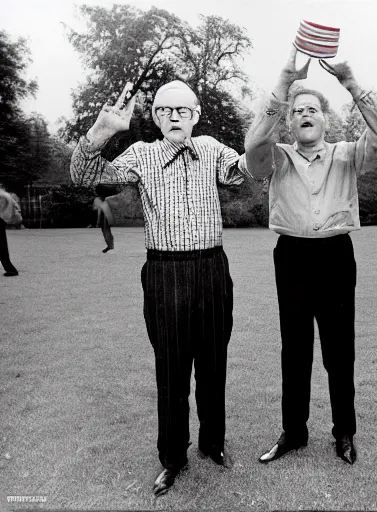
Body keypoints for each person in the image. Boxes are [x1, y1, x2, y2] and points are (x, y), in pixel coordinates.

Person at [70, 80, 249, 496]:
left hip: (211, 269)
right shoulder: (142, 155)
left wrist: (264, 133)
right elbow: (82, 177)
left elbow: (245, 170)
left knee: (213, 364)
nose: (174, 117)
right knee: (170, 370)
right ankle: (173, 457)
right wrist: (102, 132)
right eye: (165, 110)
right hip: (165, 272)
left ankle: (213, 444)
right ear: (154, 116)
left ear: (196, 114)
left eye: (183, 110)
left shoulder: (211, 148)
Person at [244, 47, 377, 465]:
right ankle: (294, 432)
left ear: (325, 120)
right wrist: (283, 86)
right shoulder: (275, 158)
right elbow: (253, 145)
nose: (306, 115)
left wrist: (351, 82)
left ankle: (344, 432)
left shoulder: (348, 153)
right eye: (297, 111)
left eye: (313, 109)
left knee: (338, 349)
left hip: (335, 256)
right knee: (294, 350)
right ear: (289, 122)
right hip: (292, 256)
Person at [0, 187, 22, 277]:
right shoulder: (4, 194)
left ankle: (11, 269)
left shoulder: (2, 196)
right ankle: (10, 268)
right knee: (1, 245)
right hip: (2, 220)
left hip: (0, 219)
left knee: (1, 245)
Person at [92, 184, 115, 253]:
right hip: (106, 216)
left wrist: (98, 222)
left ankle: (110, 245)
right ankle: (110, 244)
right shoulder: (104, 199)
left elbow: (99, 210)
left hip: (104, 217)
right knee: (107, 231)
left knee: (106, 231)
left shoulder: (98, 200)